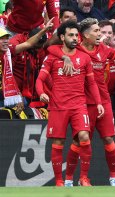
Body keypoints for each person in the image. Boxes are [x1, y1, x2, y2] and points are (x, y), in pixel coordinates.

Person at [47, 17, 115, 186]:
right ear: (85, 35)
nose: (101, 34)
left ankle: (113, 178)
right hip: (82, 102)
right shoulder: (75, 49)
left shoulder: (103, 49)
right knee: (80, 141)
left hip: (103, 101)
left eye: (100, 30)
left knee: (108, 139)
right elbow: (51, 48)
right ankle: (72, 178)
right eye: (97, 31)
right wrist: (64, 57)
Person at [35, 21, 104, 186]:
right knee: (58, 143)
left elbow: (92, 84)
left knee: (84, 137)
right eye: (70, 35)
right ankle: (59, 181)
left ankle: (84, 178)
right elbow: (39, 80)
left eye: (76, 35)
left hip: (79, 105)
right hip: (58, 107)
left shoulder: (84, 57)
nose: (74, 38)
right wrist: (42, 93)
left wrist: (98, 102)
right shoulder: (52, 57)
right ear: (62, 37)